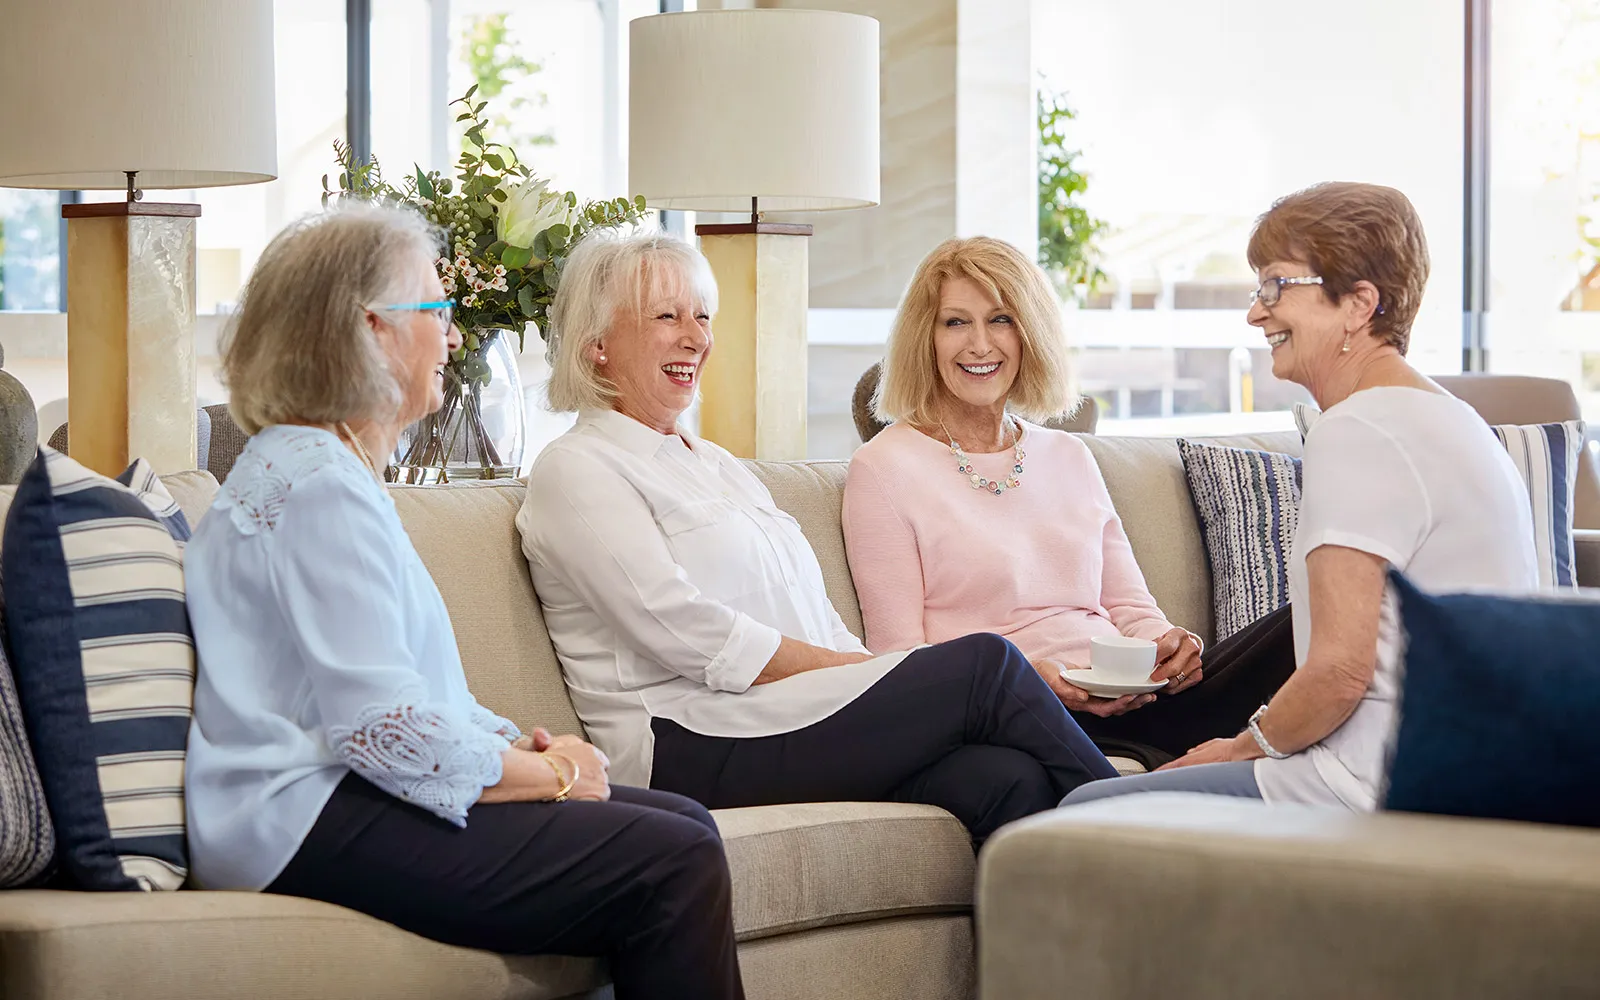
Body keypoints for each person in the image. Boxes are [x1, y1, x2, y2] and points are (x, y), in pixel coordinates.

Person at [184, 205, 745, 1000]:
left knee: (683, 821)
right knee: (675, 859)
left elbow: (400, 691)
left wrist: (515, 745)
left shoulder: (323, 469)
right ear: (372, 332)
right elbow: (381, 729)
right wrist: (547, 776)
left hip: (333, 798)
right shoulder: (317, 489)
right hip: (304, 818)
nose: (453, 339)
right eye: (438, 312)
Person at [518, 230, 1116, 848]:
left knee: (1004, 778)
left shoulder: (717, 465)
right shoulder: (577, 469)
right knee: (984, 664)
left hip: (789, 717)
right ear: (596, 343)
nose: (695, 337)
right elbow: (683, 630)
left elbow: (815, 614)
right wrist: (863, 676)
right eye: (666, 317)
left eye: (701, 316)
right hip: (685, 742)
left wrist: (872, 678)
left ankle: (1066, 940)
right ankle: (1144, 827)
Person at [1062, 182, 1539, 811]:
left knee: (1080, 817)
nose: (1257, 313)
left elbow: (1341, 672)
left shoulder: (1358, 431)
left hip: (1374, 780)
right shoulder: (1452, 419)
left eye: (1276, 286)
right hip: (1477, 768)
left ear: (1358, 304)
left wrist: (1241, 746)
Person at [843, 236, 1296, 768]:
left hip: (1134, 700)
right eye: (955, 322)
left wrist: (1166, 646)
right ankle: (1154, 776)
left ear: (1029, 333)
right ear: (925, 337)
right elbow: (900, 662)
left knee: (1299, 626)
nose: (980, 345)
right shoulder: (883, 467)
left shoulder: (1068, 455)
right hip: (1016, 709)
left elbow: (1129, 606)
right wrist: (1032, 679)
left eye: (1002, 319)